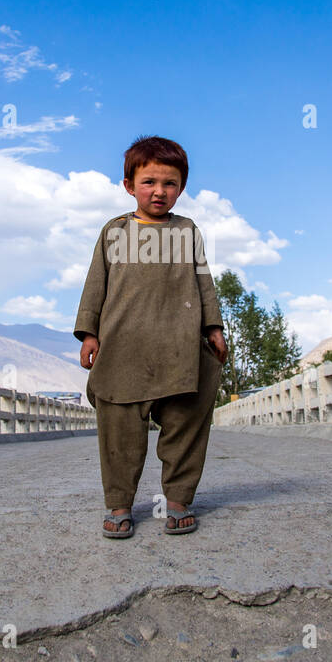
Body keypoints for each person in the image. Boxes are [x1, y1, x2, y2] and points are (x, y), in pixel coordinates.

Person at [74, 136, 228, 538]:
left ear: (182, 187)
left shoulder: (188, 231)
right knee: (120, 431)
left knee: (186, 422)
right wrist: (89, 334)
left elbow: (204, 282)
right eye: (149, 182)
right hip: (124, 348)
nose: (160, 192)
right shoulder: (114, 231)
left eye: (171, 183)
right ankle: (120, 505)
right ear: (129, 185)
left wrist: (214, 327)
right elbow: (95, 284)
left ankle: (178, 502)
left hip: (180, 348)